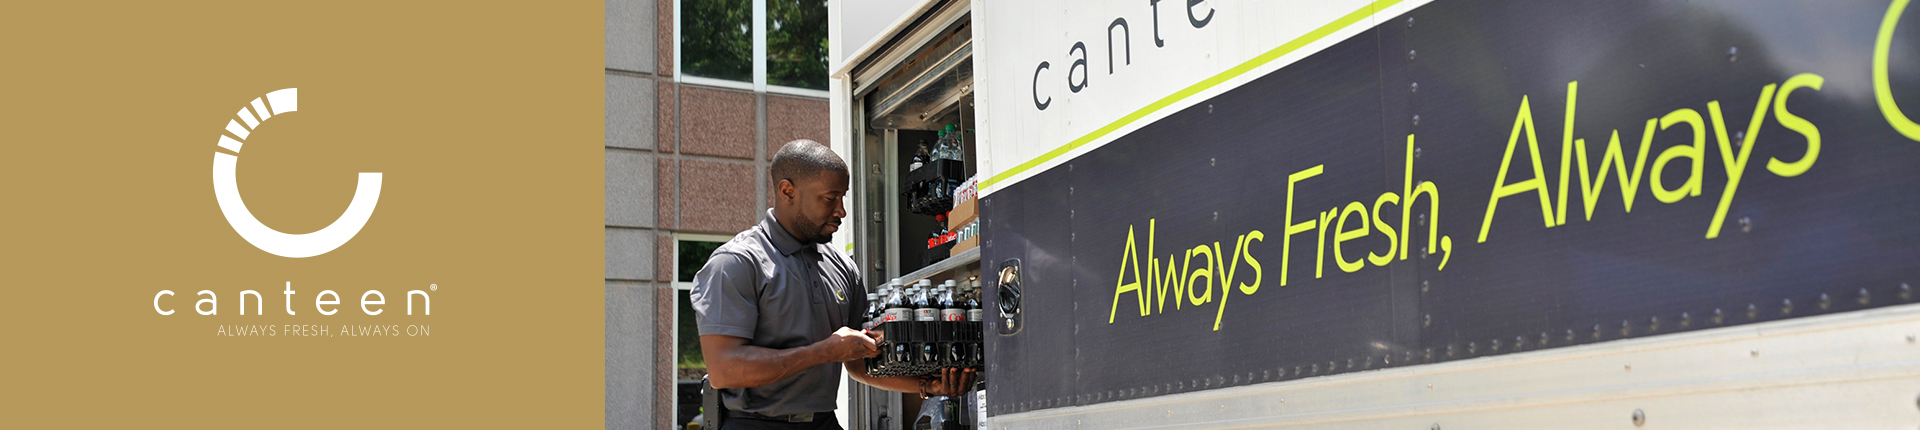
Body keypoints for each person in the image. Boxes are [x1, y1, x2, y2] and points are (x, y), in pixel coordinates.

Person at [692, 139, 975, 430]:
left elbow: (858, 365)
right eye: (830, 199)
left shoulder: (842, 267)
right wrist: (826, 351)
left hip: (824, 423)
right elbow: (724, 369)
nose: (841, 211)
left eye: (843, 198)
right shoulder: (737, 263)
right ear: (787, 191)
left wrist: (928, 385)